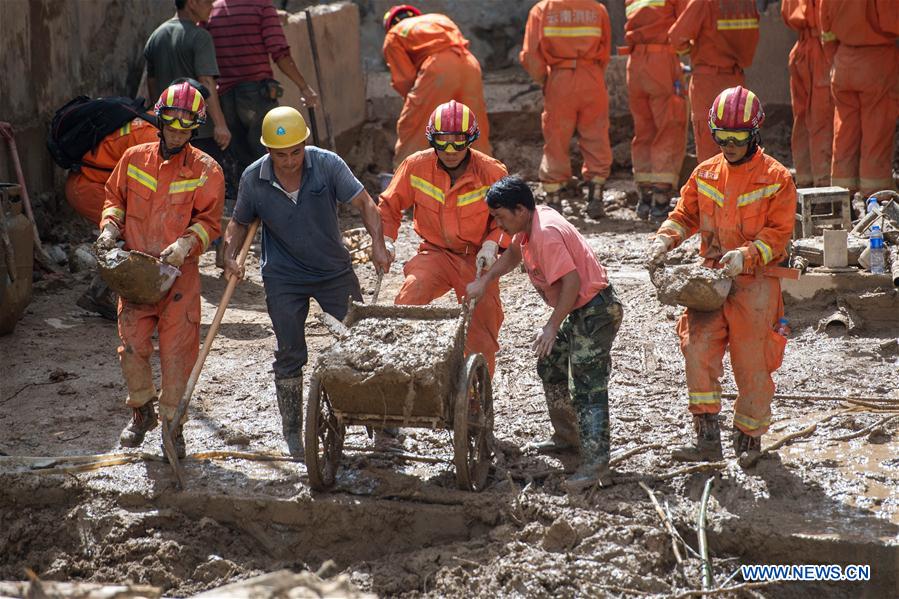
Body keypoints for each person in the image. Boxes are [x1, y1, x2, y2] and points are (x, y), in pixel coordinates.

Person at [223, 106, 391, 457]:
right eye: (280, 154)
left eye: (295, 152)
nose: (288, 161)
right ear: (268, 150)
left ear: (305, 144)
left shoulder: (327, 164)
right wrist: (228, 255)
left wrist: (378, 243)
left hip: (333, 271)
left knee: (358, 342)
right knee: (289, 352)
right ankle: (292, 430)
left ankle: (376, 420)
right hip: (284, 276)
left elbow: (365, 202)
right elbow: (238, 223)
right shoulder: (255, 179)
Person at [648, 86, 795, 461]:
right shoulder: (705, 173)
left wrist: (745, 256)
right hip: (710, 281)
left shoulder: (776, 178)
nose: (729, 144)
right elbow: (685, 215)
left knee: (753, 362)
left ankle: (749, 438)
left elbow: (778, 235)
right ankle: (706, 436)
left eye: (738, 137)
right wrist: (665, 239)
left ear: (755, 132)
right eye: (722, 136)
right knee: (697, 349)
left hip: (756, 282)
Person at [466, 176, 623, 491]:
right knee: (550, 362)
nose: (497, 223)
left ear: (521, 209)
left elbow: (572, 283)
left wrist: (552, 325)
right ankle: (567, 438)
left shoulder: (546, 234)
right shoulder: (528, 227)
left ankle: (595, 464)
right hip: (580, 309)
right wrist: (486, 281)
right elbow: (512, 254)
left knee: (587, 383)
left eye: (500, 216)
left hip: (595, 310)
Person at [96, 81, 225, 458]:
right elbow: (113, 199)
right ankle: (141, 414)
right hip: (136, 271)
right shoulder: (134, 158)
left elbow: (209, 223)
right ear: (160, 119)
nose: (177, 131)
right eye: (172, 123)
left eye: (186, 127)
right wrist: (109, 227)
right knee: (133, 346)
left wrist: (186, 244)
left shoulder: (206, 170)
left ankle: (172, 424)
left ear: (194, 129)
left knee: (177, 352)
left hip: (178, 278)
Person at [378, 100, 507, 376]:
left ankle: (476, 392)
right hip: (434, 253)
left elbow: (508, 217)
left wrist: (491, 242)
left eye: (458, 142)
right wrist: (385, 240)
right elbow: (388, 206)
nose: (450, 151)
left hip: (476, 259)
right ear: (431, 139)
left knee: (483, 322)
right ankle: (402, 371)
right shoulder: (416, 166)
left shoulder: (492, 173)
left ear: (470, 139)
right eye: (442, 141)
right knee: (411, 296)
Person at [204, 0, 319, 194]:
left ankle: (249, 211)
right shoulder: (261, 7)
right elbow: (279, 52)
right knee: (273, 155)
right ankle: (278, 204)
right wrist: (304, 87)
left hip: (225, 97)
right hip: (256, 96)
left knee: (242, 161)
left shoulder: (212, 11)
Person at [519, 0, 612, 219]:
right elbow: (606, 50)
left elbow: (531, 55)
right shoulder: (597, 9)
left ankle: (554, 198)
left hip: (560, 79)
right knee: (596, 134)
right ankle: (596, 196)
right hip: (592, 77)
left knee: (556, 138)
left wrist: (546, 81)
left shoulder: (542, 10)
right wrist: (594, 73)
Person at [65, 114, 158, 320]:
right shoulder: (152, 137)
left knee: (131, 234)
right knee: (132, 234)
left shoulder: (148, 122)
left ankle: (100, 293)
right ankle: (99, 294)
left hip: (87, 183)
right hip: (89, 188)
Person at [382, 4, 492, 166]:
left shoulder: (394, 34)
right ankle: (486, 176)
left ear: (390, 24)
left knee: (413, 127)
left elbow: (404, 79)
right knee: (473, 124)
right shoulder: (439, 19)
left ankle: (406, 176)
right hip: (469, 64)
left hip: (439, 69)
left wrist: (417, 103)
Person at [819, 0, 898, 196]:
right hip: (877, 61)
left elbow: (825, 27)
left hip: (843, 60)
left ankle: (840, 193)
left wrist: (836, 60)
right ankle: (877, 194)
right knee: (876, 130)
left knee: (845, 130)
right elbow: (893, 22)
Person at [668, 0, 760, 163]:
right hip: (737, 79)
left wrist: (691, 51)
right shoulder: (747, 3)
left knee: (710, 142)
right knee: (738, 140)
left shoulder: (704, 2)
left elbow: (676, 38)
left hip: (708, 80)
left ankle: (712, 186)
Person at [622, 0, 688, 222]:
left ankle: (645, 199)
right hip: (662, 61)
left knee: (643, 130)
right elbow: (685, 26)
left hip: (635, 63)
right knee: (669, 125)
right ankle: (660, 201)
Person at [781, 0, 836, 189]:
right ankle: (823, 183)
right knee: (822, 116)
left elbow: (786, 13)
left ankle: (805, 178)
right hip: (820, 48)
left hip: (800, 49)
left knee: (802, 116)